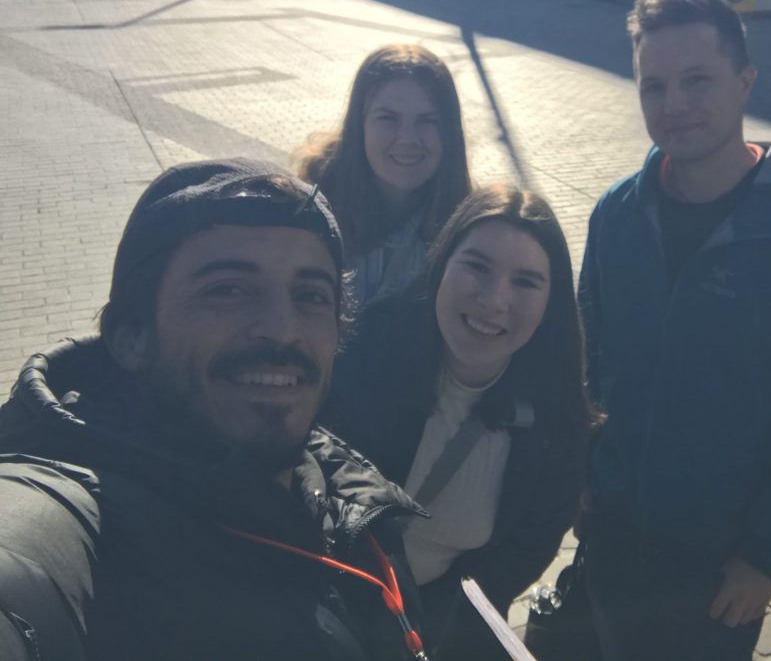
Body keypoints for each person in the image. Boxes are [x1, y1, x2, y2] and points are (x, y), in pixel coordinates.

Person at [0, 159, 427, 661]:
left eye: (310, 295)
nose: (283, 329)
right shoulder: (83, 523)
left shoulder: (343, 488)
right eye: (228, 289)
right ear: (131, 337)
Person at [577, 0, 771, 660]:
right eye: (653, 85)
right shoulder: (616, 215)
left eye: (696, 80)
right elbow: (589, 356)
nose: (674, 104)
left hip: (723, 564)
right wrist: (585, 485)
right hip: (616, 536)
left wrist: (769, 554)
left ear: (745, 82)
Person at [324, 185, 592, 661]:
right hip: (332, 616)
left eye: (526, 282)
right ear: (442, 263)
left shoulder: (554, 421)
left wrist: (442, 623)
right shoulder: (362, 356)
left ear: (552, 302)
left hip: (442, 636)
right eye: (477, 267)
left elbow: (528, 547)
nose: (494, 300)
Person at [294, 44, 472, 310]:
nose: (407, 139)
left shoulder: (468, 229)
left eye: (427, 120)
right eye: (388, 118)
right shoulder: (305, 213)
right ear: (359, 125)